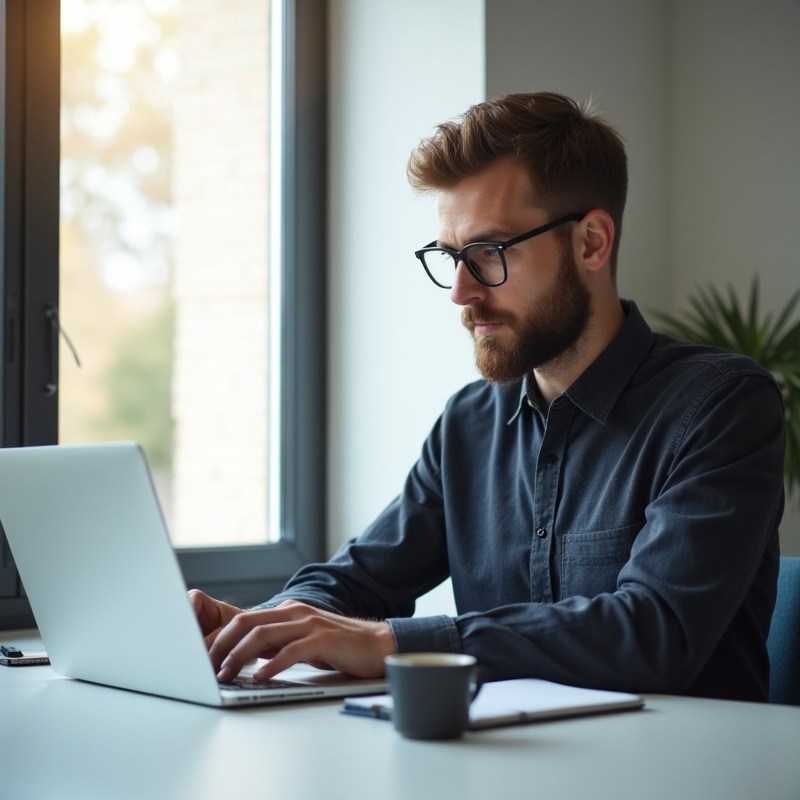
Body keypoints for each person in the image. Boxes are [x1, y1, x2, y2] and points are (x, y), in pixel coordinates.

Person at [191, 92, 785, 702]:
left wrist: (392, 644)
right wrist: (264, 625)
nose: (460, 291)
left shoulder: (721, 406)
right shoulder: (468, 424)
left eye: (490, 254)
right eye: (450, 258)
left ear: (591, 243)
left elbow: (653, 633)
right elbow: (359, 579)